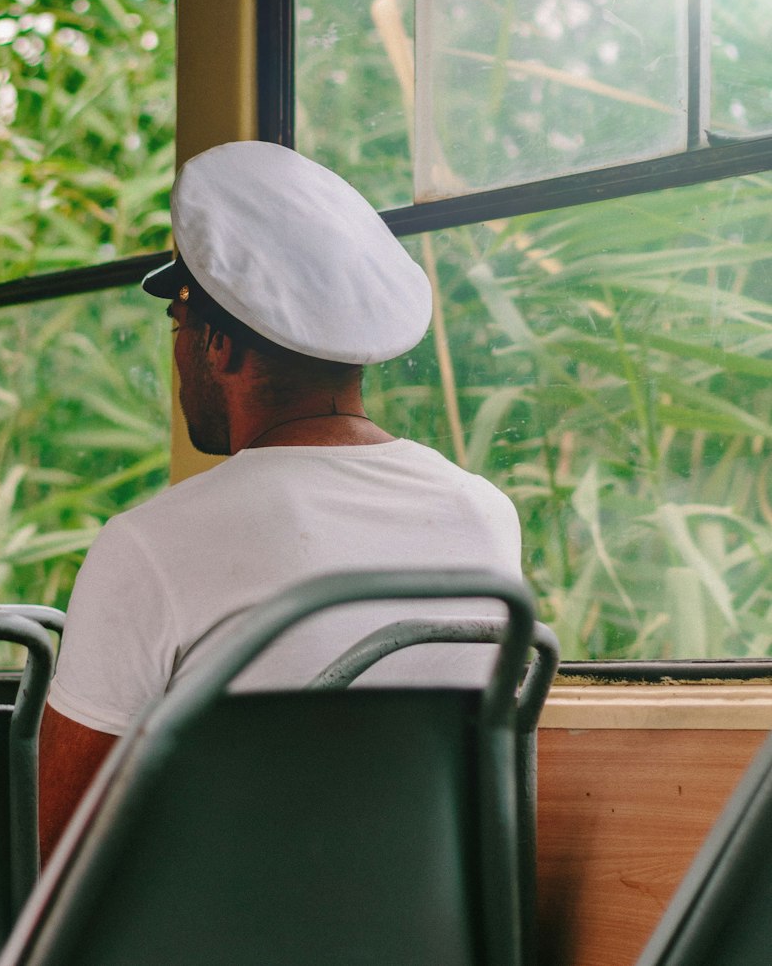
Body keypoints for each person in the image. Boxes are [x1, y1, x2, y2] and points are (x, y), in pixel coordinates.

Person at [38, 140, 522, 864]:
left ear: (217, 347)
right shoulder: (483, 516)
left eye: (178, 324)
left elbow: (64, 854)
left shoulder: (154, 543)